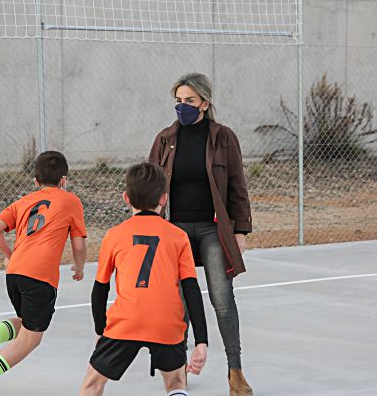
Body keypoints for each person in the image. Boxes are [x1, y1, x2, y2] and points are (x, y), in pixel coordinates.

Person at [148, 73, 254, 395]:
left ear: (205, 104)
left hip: (212, 229)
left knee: (222, 299)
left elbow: (237, 185)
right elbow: (150, 185)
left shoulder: (223, 138)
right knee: (177, 301)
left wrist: (240, 231)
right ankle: (177, 370)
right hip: (175, 230)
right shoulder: (165, 138)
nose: (183, 107)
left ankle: (235, 372)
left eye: (189, 101)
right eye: (179, 101)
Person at [0, 151, 87, 396]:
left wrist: (9, 255)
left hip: (15, 274)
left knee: (25, 325)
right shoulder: (71, 201)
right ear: (64, 180)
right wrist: (79, 267)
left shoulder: (25, 200)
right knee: (30, 340)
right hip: (40, 277)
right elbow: (79, 245)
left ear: (36, 181)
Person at [79, 162, 208, 396]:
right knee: (177, 383)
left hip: (126, 322)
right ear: (164, 199)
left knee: (92, 384)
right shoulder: (179, 237)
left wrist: (100, 329)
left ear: (126, 198)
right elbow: (191, 289)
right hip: (166, 324)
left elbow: (100, 289)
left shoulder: (114, 236)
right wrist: (201, 341)